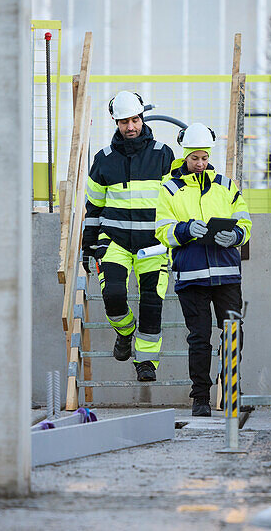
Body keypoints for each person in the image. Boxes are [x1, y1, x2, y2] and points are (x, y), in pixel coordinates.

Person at [154, 123, 252, 416]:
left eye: (204, 157)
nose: (200, 163)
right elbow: (162, 230)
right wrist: (185, 230)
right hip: (192, 276)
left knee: (233, 333)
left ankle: (232, 389)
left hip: (226, 274)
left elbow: (244, 222)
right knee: (199, 339)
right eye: (195, 158)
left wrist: (235, 236)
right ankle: (200, 398)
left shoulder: (225, 185)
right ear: (185, 156)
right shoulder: (169, 188)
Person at [82, 91, 175, 382]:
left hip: (154, 243)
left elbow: (176, 200)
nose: (131, 127)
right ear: (115, 121)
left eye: (134, 120)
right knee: (113, 295)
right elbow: (93, 207)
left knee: (151, 304)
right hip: (115, 241)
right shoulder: (103, 160)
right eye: (124, 122)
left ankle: (146, 361)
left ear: (142, 118)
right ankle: (124, 332)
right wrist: (88, 245)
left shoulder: (163, 153)